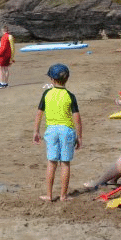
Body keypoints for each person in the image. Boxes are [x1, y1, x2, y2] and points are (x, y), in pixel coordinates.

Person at [32, 64, 82, 202]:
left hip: (52, 130)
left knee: (51, 163)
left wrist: (36, 131)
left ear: (52, 80)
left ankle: (49, 195)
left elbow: (39, 114)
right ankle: (63, 195)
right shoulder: (70, 96)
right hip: (67, 130)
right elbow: (76, 117)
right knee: (65, 163)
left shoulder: (46, 94)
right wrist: (79, 136)